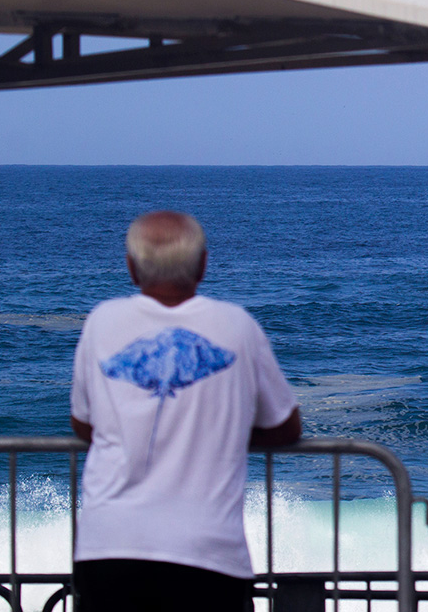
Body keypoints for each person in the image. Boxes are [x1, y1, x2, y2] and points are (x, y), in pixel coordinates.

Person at [70, 211, 301, 612]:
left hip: (108, 545)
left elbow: (83, 422)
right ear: (203, 265)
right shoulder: (237, 326)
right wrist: (222, 431)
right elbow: (285, 426)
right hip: (207, 550)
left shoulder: (101, 322)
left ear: (131, 267)